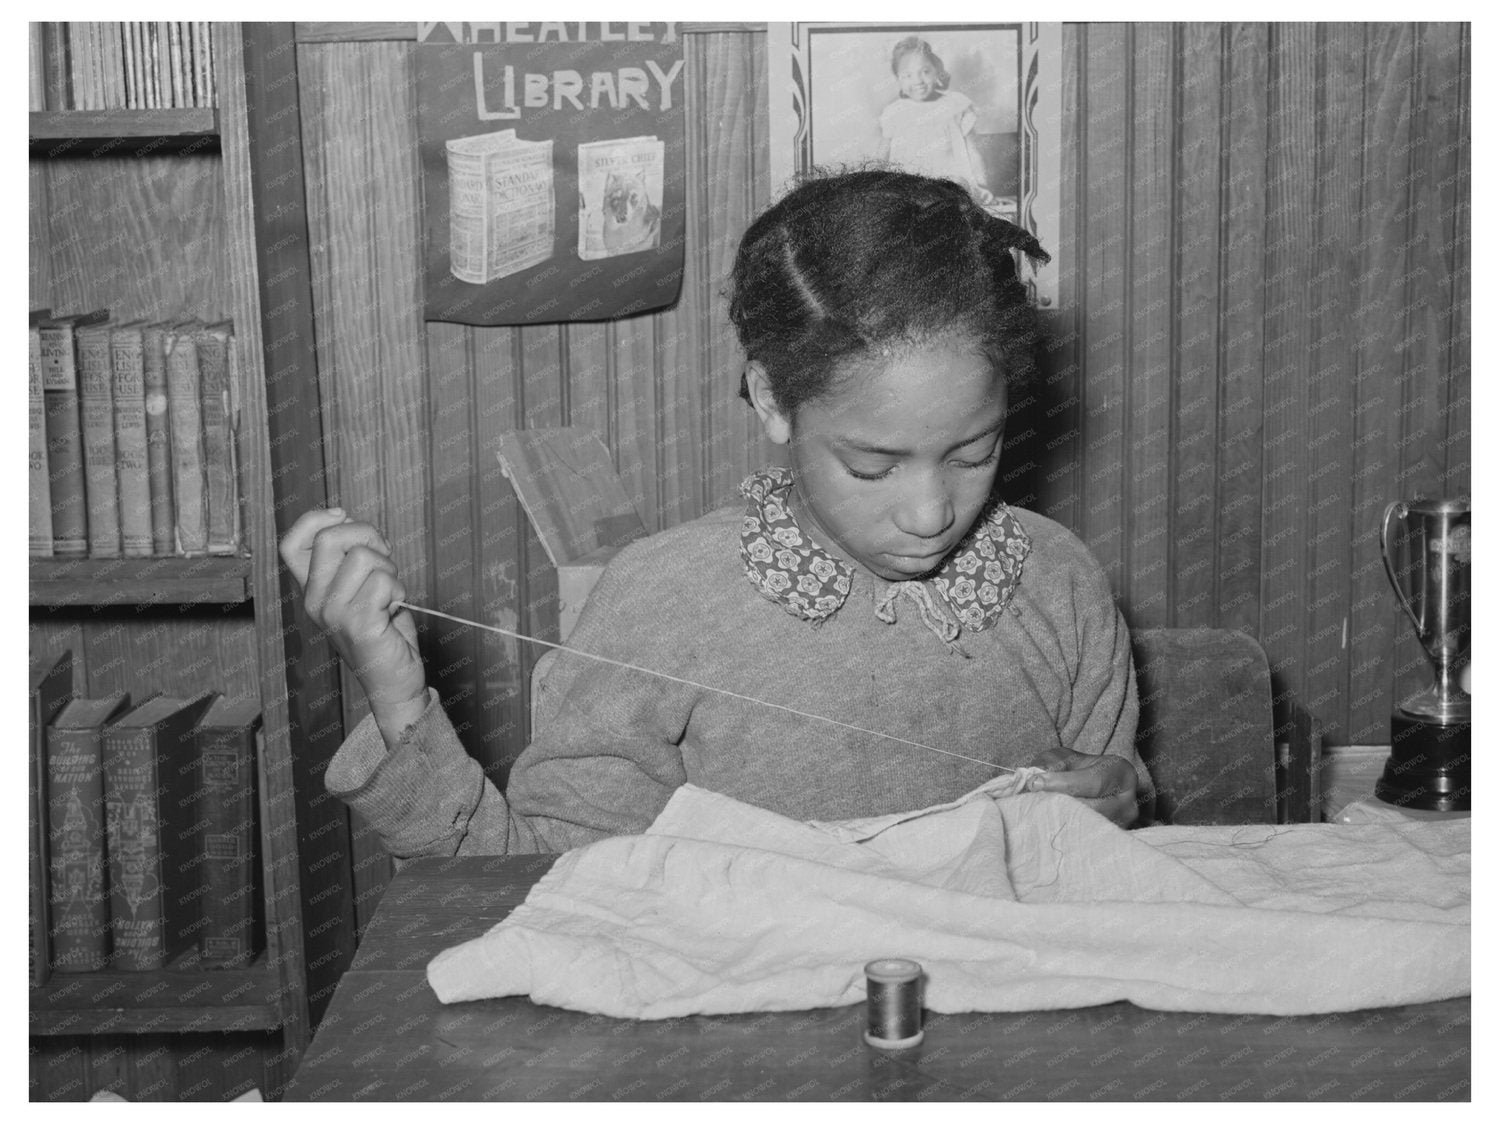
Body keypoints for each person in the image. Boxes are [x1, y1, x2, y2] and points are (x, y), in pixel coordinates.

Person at [279, 169, 1151, 861]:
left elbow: (1115, 862)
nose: (931, 513)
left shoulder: (1057, 582)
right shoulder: (662, 604)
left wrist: (1118, 800)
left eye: (973, 454)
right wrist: (397, 696)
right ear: (773, 400)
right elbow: (523, 891)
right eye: (871, 465)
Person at [876, 37, 996, 207]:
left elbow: (972, 150)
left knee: (957, 186)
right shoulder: (894, 112)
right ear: (898, 79)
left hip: (947, 182)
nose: (917, 81)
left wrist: (981, 185)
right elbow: (883, 154)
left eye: (925, 72)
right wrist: (875, 184)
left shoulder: (955, 105)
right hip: (908, 183)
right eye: (907, 75)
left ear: (937, 71)